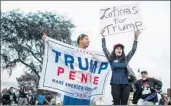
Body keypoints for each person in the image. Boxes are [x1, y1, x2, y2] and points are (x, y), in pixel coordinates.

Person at [42, 33, 91, 105]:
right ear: (80, 40)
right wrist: (47, 40)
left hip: (85, 89)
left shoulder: (90, 55)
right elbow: (58, 49)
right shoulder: (71, 51)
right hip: (72, 87)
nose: (89, 41)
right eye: (86, 39)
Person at [101, 29, 140, 105]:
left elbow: (133, 50)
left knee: (124, 103)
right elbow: (104, 49)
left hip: (126, 84)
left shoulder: (126, 59)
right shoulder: (111, 59)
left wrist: (136, 37)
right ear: (114, 51)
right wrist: (103, 37)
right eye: (117, 48)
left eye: (121, 49)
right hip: (115, 84)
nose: (119, 49)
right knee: (116, 103)